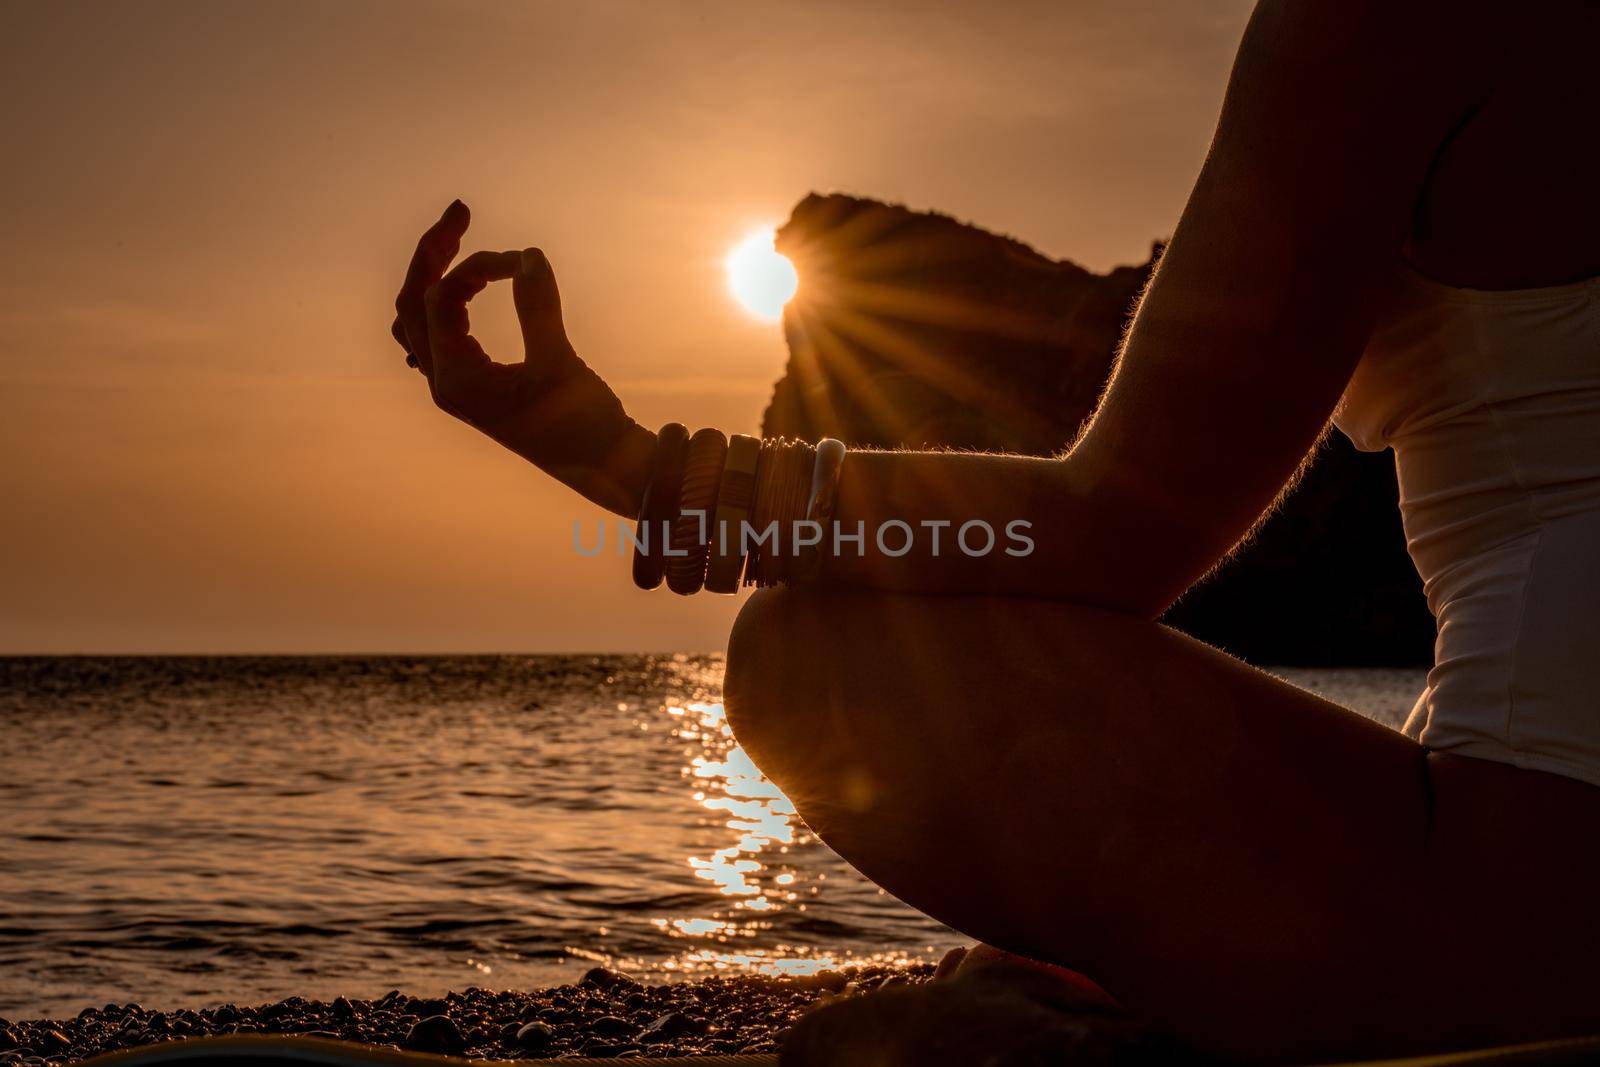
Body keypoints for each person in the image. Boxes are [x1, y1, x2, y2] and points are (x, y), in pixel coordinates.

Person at [389, 0, 1599, 1059]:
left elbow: (1111, 527)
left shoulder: (1378, 21)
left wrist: (631, 465)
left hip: (1539, 908)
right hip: (1523, 846)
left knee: (819, 663)